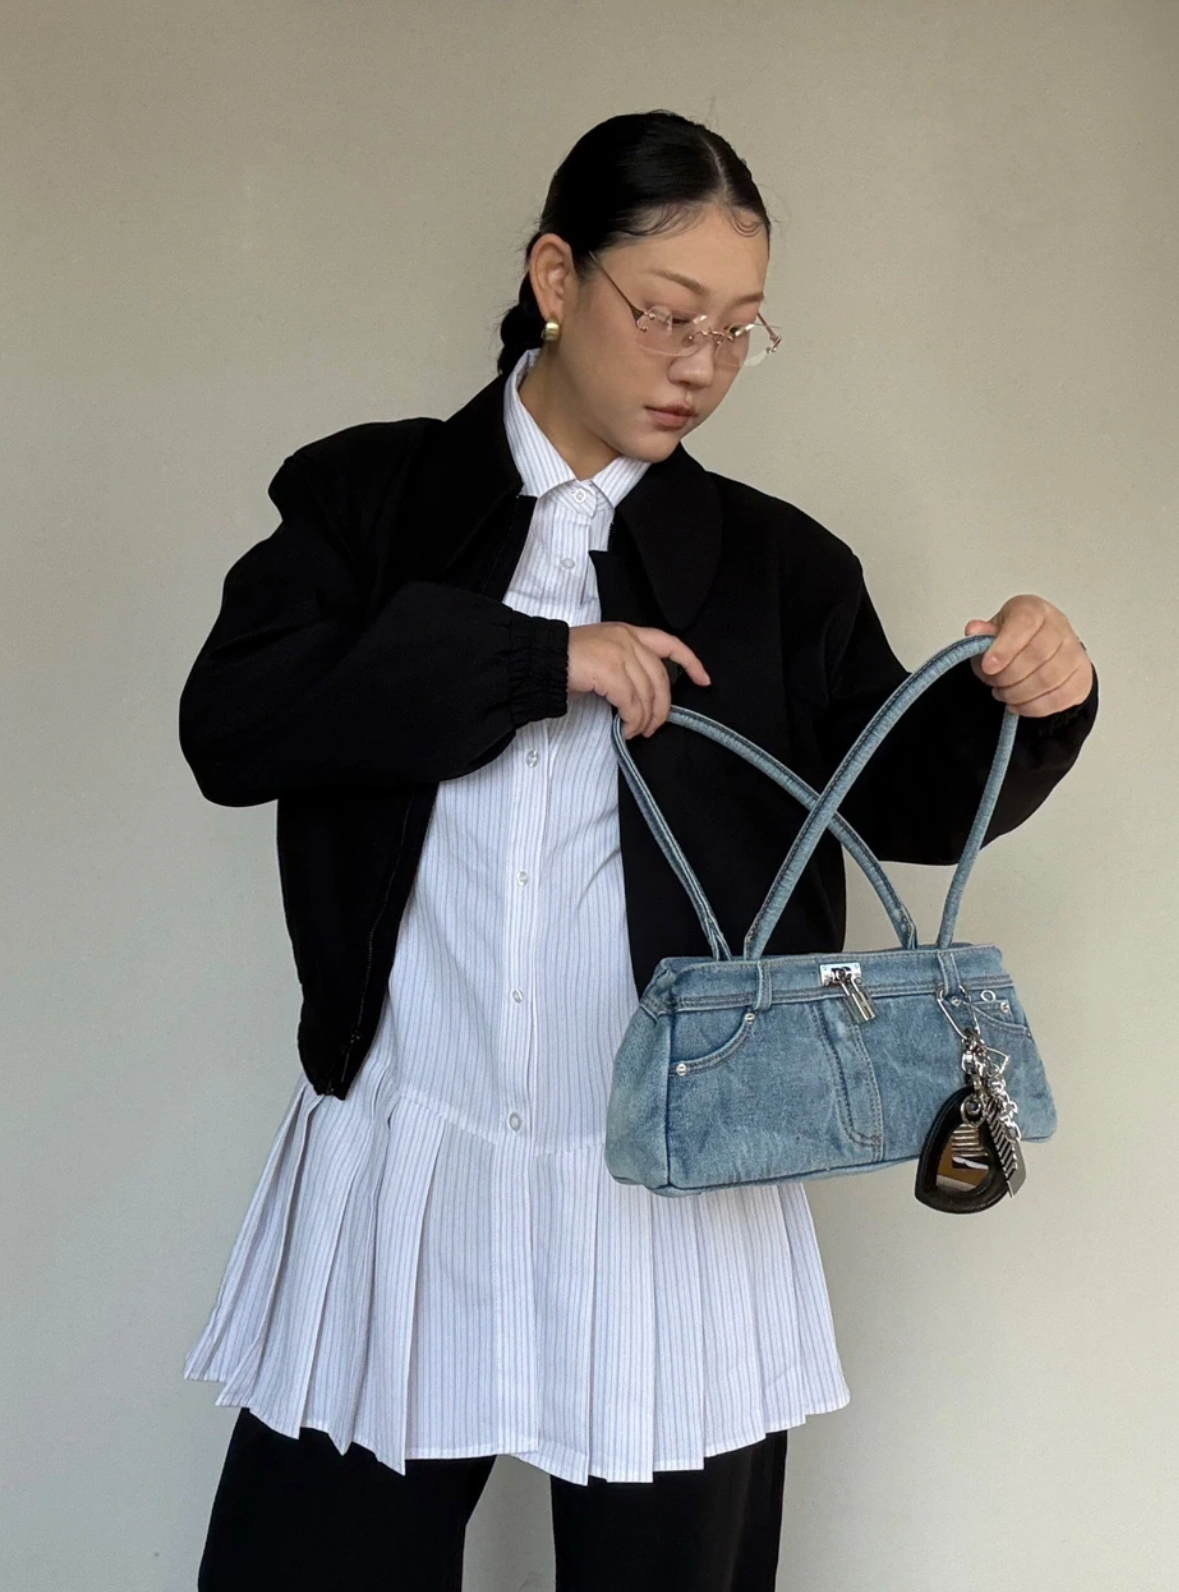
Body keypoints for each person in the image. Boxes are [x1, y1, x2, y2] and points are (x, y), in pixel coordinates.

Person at [179, 109, 1099, 1591]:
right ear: (555, 274)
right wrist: (540, 661)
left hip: (681, 1182)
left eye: (741, 332)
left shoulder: (782, 564)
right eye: (667, 315)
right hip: (406, 1151)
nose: (699, 366)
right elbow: (237, 726)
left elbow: (909, 805)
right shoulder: (369, 498)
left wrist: (1037, 699)